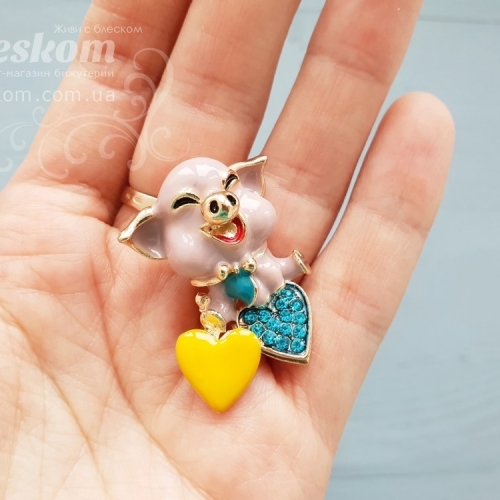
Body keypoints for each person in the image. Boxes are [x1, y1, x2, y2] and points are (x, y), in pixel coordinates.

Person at [0, 0, 454, 497]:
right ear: (155, 241)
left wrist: (289, 266)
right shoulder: (206, 276)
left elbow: (275, 268)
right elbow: (222, 301)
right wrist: (217, 319)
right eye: (191, 211)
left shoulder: (251, 246)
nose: (218, 211)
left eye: (229, 194)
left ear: (251, 187)